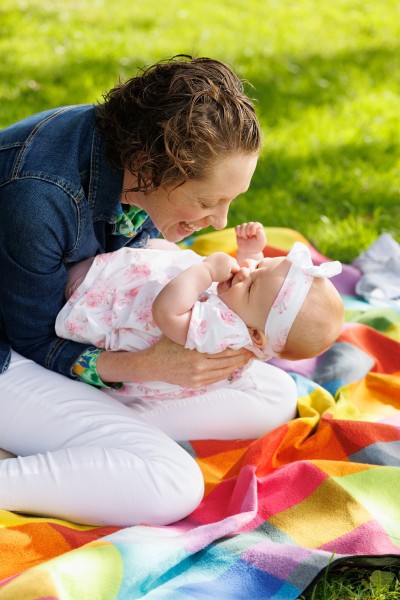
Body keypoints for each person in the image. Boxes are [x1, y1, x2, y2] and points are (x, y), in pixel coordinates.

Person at [0, 56, 298, 527]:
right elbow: (34, 340)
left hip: (72, 338)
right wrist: (146, 366)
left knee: (276, 391)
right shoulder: (38, 201)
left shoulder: (129, 159)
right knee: (171, 483)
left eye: (230, 201)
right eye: (206, 202)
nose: (219, 223)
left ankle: (92, 441)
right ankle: (70, 453)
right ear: (148, 167)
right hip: (13, 353)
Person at [56, 222, 344, 409]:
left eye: (252, 283)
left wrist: (205, 271)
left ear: (254, 334)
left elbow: (167, 312)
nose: (246, 270)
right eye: (261, 265)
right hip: (160, 297)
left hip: (111, 309)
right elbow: (257, 285)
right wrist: (252, 251)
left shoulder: (223, 333)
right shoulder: (253, 321)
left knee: (76, 275)